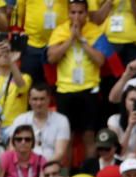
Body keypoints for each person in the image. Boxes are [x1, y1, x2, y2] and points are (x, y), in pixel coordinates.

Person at [48, 0, 106, 160]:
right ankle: (64, 176)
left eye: (80, 12)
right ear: (68, 13)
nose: (77, 16)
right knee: (67, 137)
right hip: (65, 90)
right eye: (73, 12)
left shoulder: (95, 31)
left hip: (89, 89)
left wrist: (82, 40)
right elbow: (52, 57)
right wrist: (70, 39)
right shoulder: (59, 31)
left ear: (86, 14)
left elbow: (100, 60)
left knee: (89, 135)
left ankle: (89, 173)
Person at [12, 84, 71, 165]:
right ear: (29, 100)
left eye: (42, 99)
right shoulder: (20, 120)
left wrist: (43, 166)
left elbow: (60, 153)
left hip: (51, 167)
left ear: (49, 100)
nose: (38, 103)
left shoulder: (61, 120)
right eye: (35, 99)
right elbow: (12, 148)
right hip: (24, 166)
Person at [88, 0, 136, 66]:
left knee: (133, 73)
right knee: (112, 75)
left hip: (134, 45)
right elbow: (95, 21)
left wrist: (133, 2)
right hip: (108, 44)